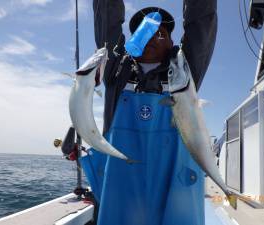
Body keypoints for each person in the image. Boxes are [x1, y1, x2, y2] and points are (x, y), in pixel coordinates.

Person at [85, 0, 217, 224]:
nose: (154, 36)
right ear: (135, 38)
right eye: (145, 30)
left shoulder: (185, 72)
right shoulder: (116, 69)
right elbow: (107, 18)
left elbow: (201, 24)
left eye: (161, 33)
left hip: (174, 190)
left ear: (172, 42)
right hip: (120, 191)